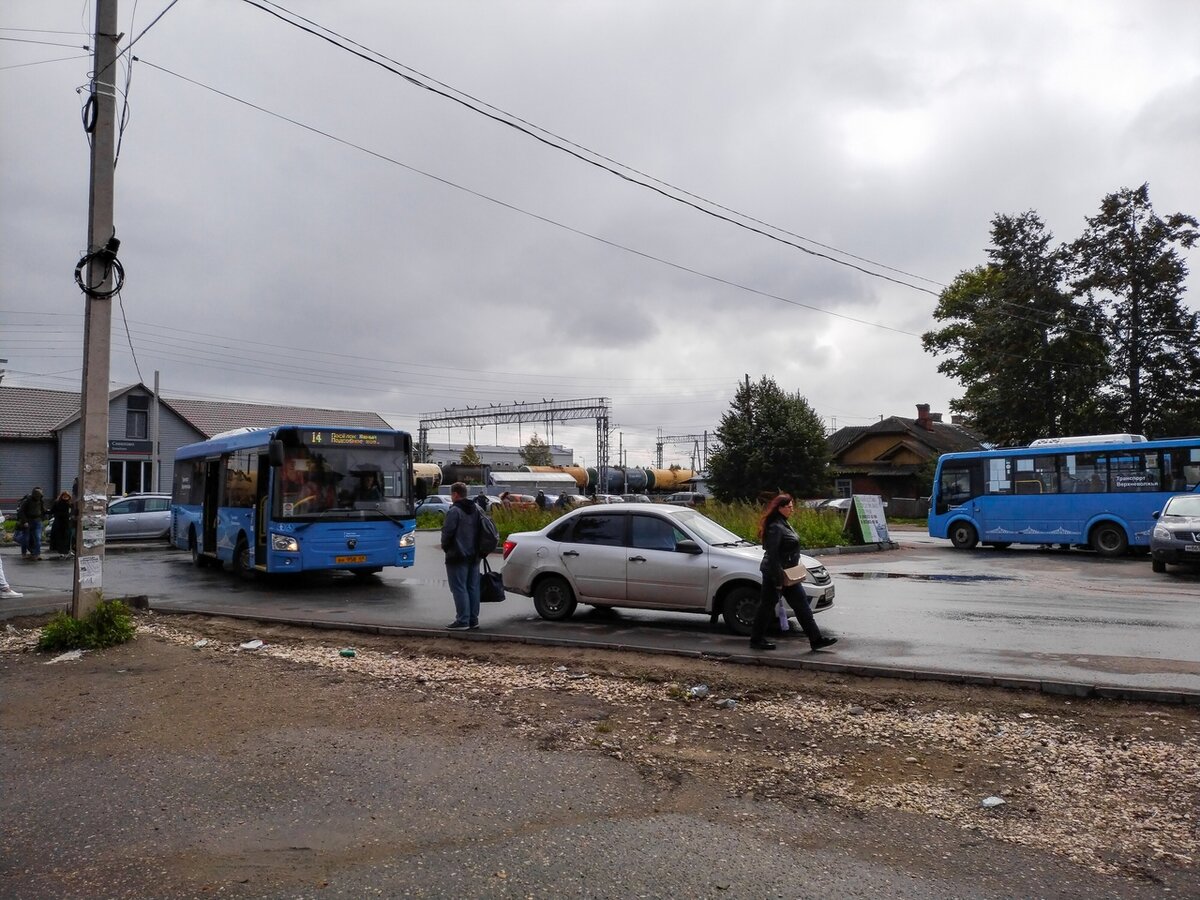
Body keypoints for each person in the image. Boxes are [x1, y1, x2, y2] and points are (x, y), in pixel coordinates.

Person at [750, 493, 838, 652]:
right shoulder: (775, 527)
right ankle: (756, 640)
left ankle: (816, 639)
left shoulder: (784, 523)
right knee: (767, 606)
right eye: (789, 506)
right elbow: (773, 554)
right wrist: (777, 579)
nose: (792, 509)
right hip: (775, 574)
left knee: (802, 605)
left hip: (788, 574)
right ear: (780, 508)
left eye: (792, 506)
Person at [440, 482, 482, 630]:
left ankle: (462, 620)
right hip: (474, 555)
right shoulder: (476, 509)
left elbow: (447, 533)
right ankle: (473, 619)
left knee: (459, 588)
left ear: (455, 494)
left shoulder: (454, 511)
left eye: (452, 494)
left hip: (457, 555)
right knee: (472, 587)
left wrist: (446, 547)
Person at [18, 487, 47, 561]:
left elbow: (43, 510)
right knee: (26, 539)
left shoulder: (41, 500)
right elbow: (21, 512)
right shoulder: (27, 501)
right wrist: (25, 521)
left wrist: (43, 517)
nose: (39, 497)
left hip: (37, 521)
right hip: (28, 521)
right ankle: (24, 554)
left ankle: (37, 554)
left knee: (38, 538)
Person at [49, 491, 73, 558]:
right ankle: (62, 551)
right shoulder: (58, 503)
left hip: (66, 523)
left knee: (66, 537)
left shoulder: (69, 504)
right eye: (64, 496)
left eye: (67, 496)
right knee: (61, 538)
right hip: (60, 523)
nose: (65, 498)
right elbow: (52, 511)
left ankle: (65, 551)